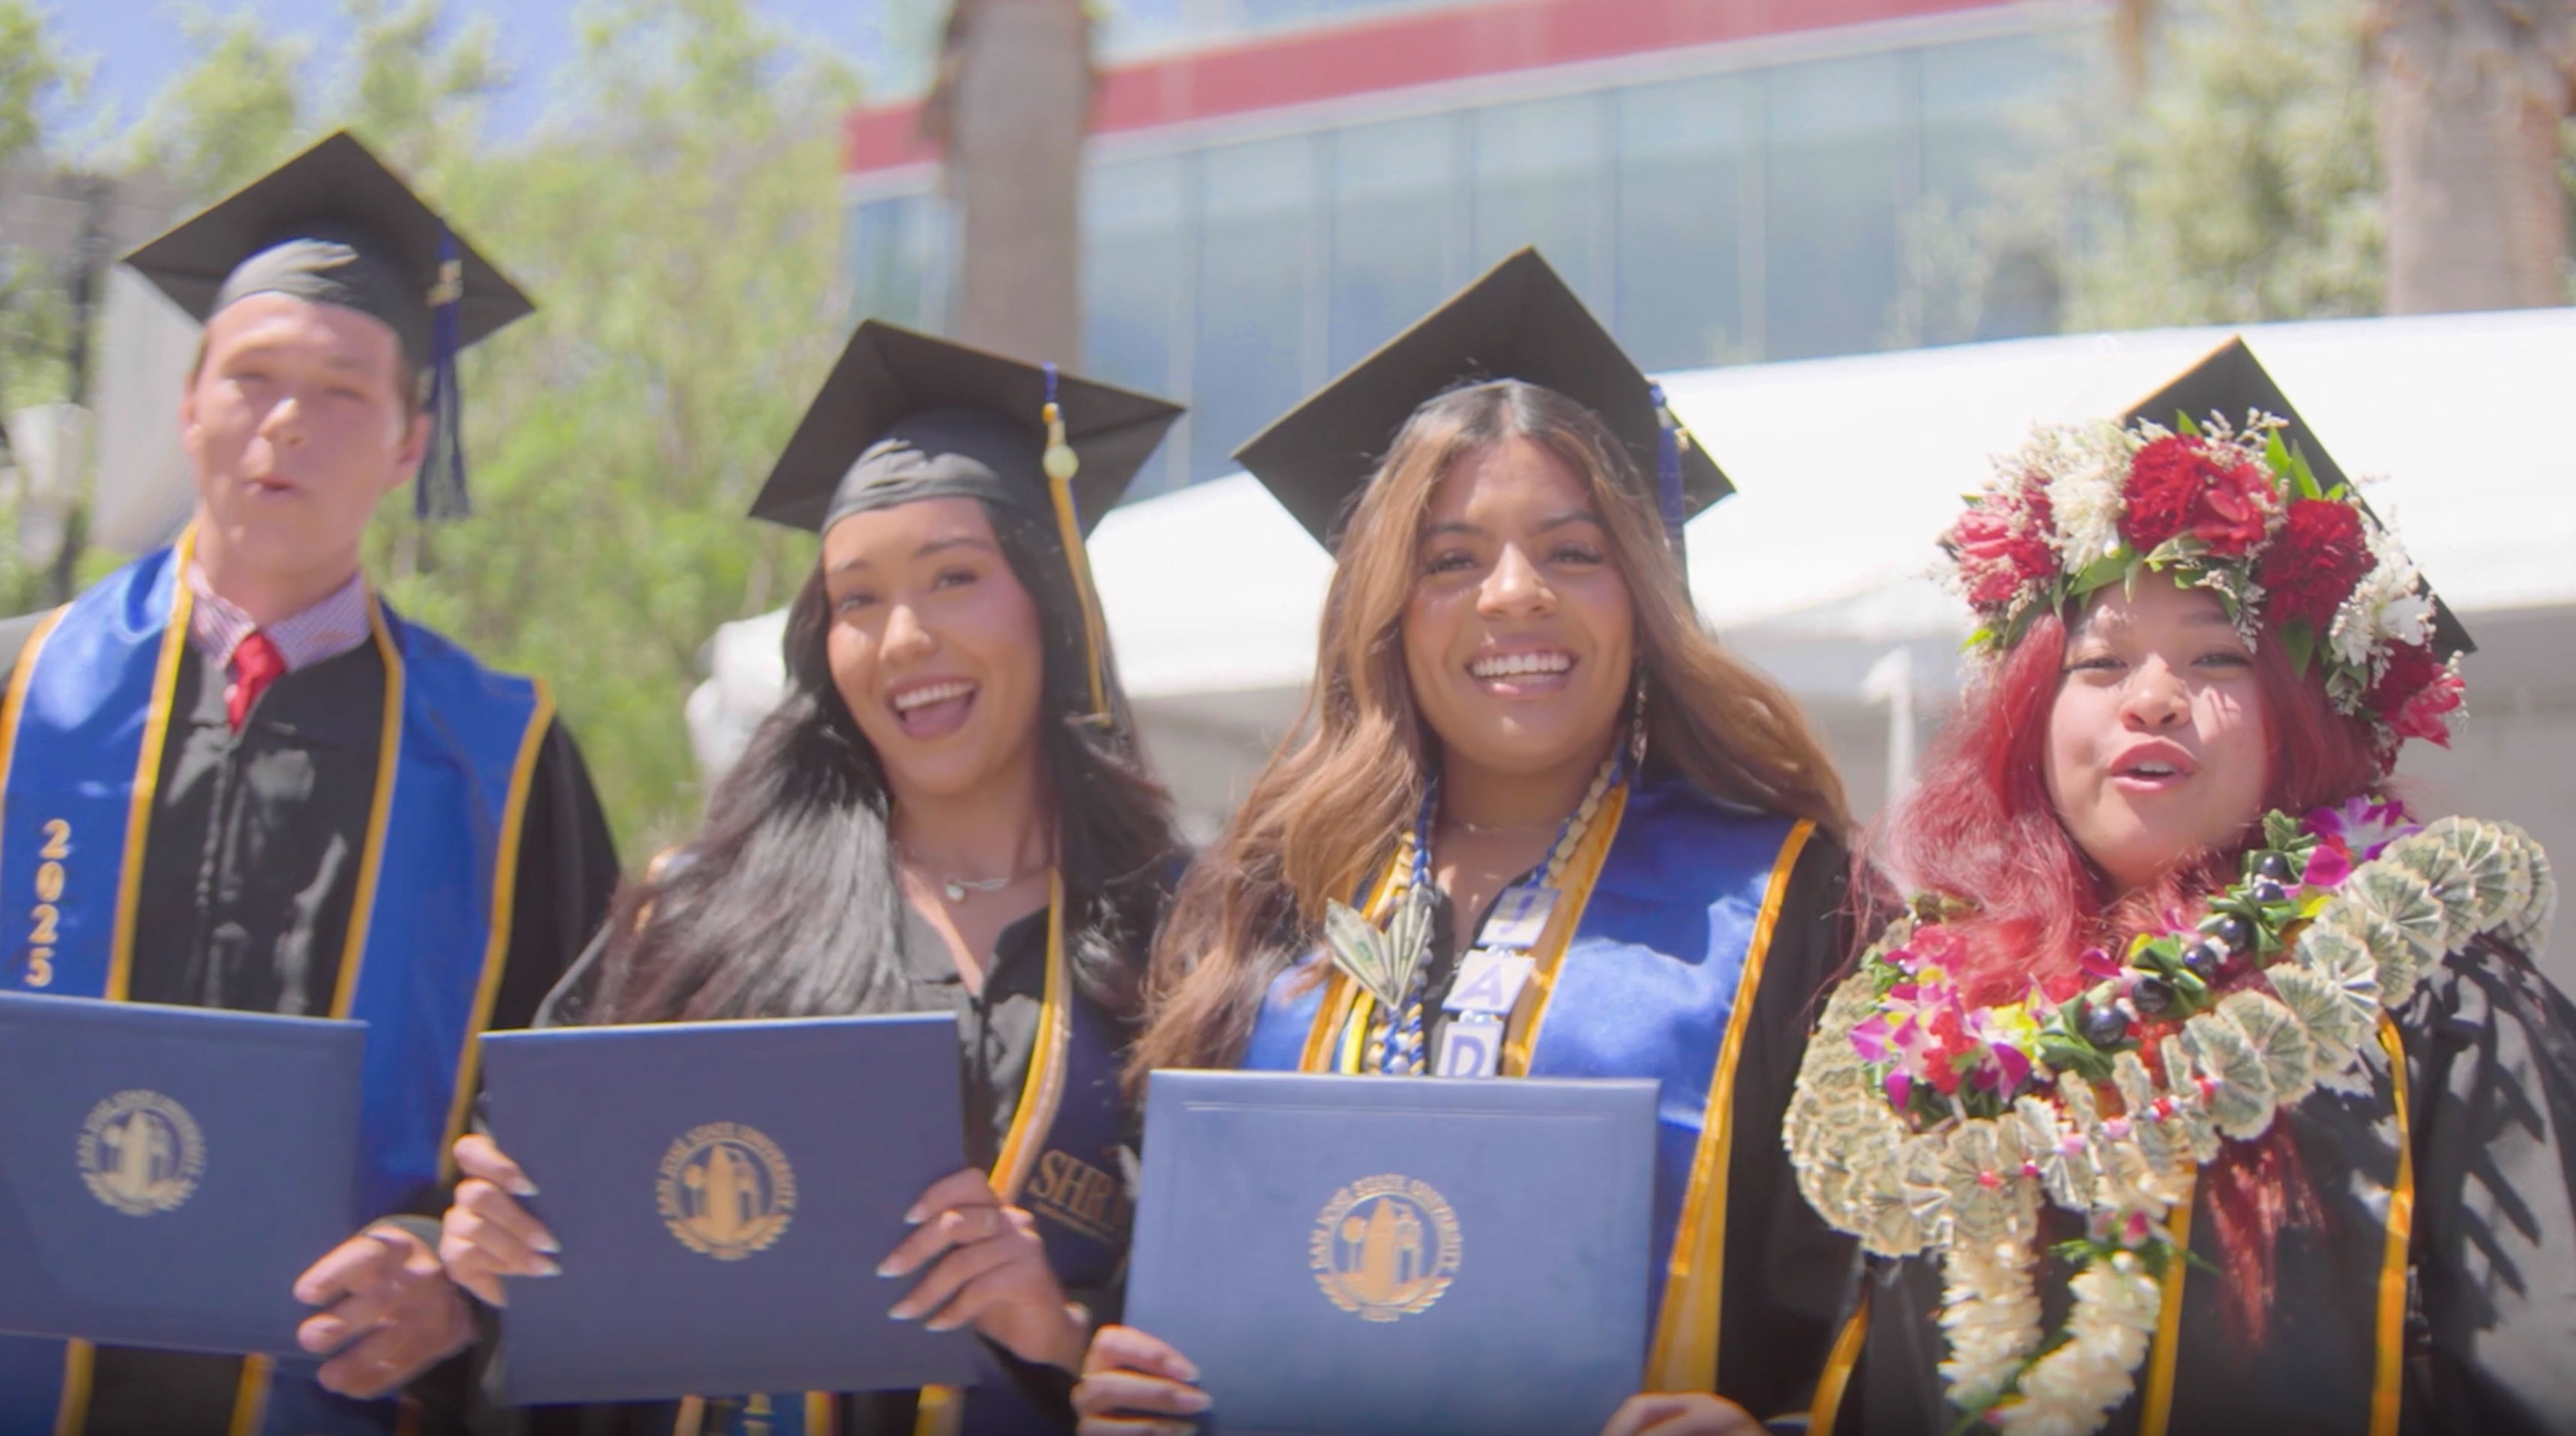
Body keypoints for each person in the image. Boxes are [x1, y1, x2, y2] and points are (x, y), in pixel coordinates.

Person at [1071, 250, 1858, 1436]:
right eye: (1450, 560)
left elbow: (1873, 1308)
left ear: (1643, 600)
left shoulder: (1789, 904)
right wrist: (1129, 1386)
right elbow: (1190, 1273)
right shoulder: (1276, 898)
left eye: (1573, 551)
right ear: (1386, 607)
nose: (1512, 594)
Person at [1784, 341, 2575, 1436]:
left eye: (2217, 662)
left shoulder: (2422, 1003)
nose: (2151, 698)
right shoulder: (1947, 1025)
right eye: (2099, 665)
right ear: (2032, 721)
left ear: (2304, 722)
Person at [436, 322, 1188, 1436]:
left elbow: (1215, 1321)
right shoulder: (699, 915)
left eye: (955, 577)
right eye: (857, 600)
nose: (902, 641)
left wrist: (1061, 1330)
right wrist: (493, 1249)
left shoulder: (1180, 938)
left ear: (1052, 603)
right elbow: (552, 1258)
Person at [0, 133, 621, 1436]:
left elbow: (587, 1131)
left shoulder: (501, 760)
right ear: (187, 401)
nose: (285, 421)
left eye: (343, 390)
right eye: (252, 376)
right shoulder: (21, 695)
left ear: (410, 441)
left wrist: (462, 1294)